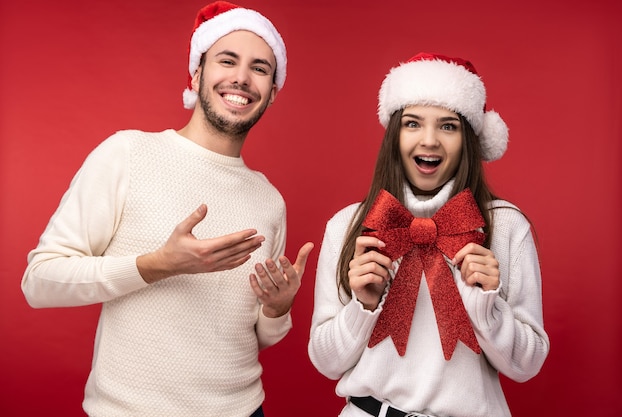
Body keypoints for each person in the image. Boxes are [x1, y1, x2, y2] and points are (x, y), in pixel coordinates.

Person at [21, 2, 313, 416]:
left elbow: (257, 336)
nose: (242, 78)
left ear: (272, 92)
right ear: (196, 73)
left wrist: (276, 307)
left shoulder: (269, 200)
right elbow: (39, 282)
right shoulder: (128, 153)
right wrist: (158, 264)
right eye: (227, 61)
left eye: (260, 69)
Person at [308, 52, 549, 417]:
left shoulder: (506, 226)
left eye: (448, 126)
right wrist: (363, 307)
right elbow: (326, 362)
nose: (430, 140)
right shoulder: (348, 225)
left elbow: (526, 367)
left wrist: (486, 307)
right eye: (413, 123)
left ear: (467, 138)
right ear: (394, 135)